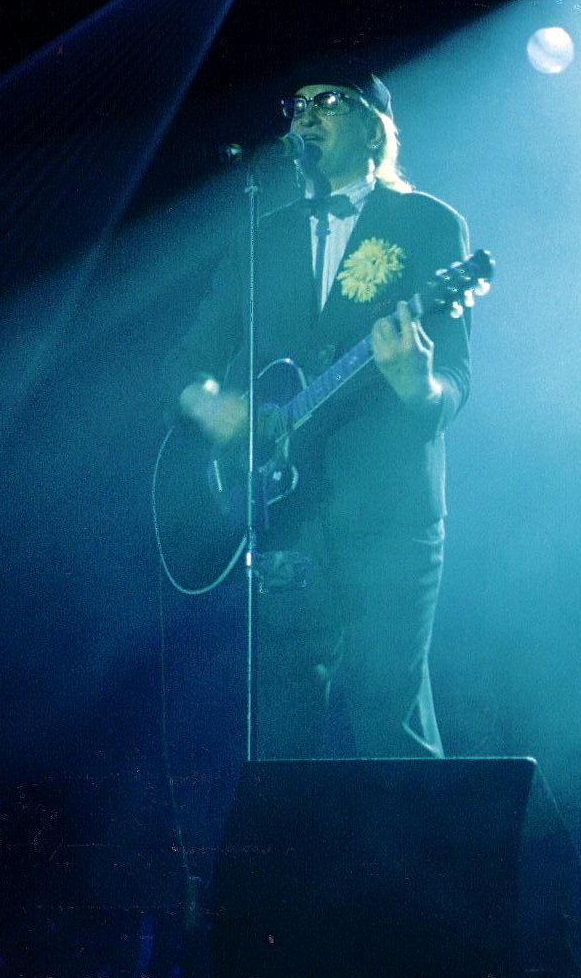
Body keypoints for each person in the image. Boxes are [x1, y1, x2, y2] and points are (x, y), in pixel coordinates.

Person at [171, 71, 471, 759]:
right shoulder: (262, 236)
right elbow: (191, 355)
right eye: (296, 104)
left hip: (389, 514)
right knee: (282, 732)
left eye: (327, 101)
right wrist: (207, 401)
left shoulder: (428, 223)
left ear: (373, 126)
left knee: (388, 722)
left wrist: (418, 385)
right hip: (285, 518)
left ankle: (418, 836)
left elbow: (456, 377)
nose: (305, 115)